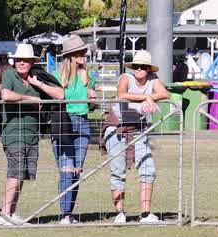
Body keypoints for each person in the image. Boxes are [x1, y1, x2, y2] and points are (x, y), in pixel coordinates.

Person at [0, 43, 63, 226]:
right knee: (15, 172)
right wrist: (30, 98)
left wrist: (38, 84)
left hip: (32, 134)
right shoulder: (10, 74)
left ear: (32, 62)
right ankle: (3, 215)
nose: (21, 63)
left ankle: (11, 212)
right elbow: (5, 95)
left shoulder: (36, 76)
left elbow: (60, 94)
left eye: (25, 60)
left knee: (22, 174)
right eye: (18, 60)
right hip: (13, 133)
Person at [104, 50, 169, 224]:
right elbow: (121, 94)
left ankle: (146, 213)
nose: (139, 69)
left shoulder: (153, 79)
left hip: (139, 129)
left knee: (148, 168)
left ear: (149, 69)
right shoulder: (126, 77)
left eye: (143, 67)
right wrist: (146, 99)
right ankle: (120, 213)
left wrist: (148, 99)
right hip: (117, 127)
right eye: (137, 66)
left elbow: (165, 94)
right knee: (117, 170)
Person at [54, 35, 94, 224]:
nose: (84, 56)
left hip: (83, 123)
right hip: (64, 123)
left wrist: (92, 97)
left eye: (84, 52)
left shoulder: (87, 75)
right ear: (71, 56)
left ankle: (69, 212)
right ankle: (64, 214)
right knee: (66, 169)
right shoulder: (57, 75)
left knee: (77, 170)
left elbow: (90, 101)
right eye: (80, 53)